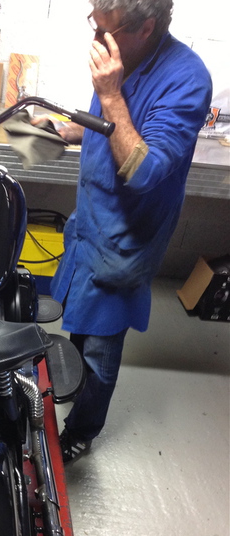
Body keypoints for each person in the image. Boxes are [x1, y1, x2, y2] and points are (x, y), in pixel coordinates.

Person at [32, 0, 212, 463]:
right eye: (94, 26)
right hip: (89, 224)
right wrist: (66, 131)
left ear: (146, 27)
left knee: (100, 350)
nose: (96, 40)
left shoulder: (187, 80)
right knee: (77, 324)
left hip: (124, 243)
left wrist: (111, 93)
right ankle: (74, 388)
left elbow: (143, 170)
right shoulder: (123, 56)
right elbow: (107, 128)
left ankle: (82, 431)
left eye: (106, 31)